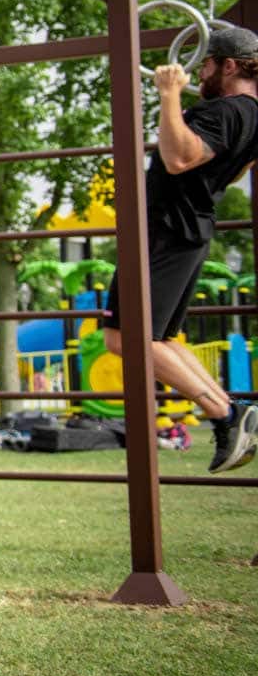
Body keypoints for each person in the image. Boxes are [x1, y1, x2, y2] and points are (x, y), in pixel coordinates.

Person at [105, 28, 258, 472]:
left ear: (229, 65)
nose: (199, 72)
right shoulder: (252, 116)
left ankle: (224, 413)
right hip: (187, 229)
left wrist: (169, 94)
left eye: (206, 63)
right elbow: (235, 170)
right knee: (158, 339)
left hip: (167, 230)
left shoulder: (225, 110)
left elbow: (178, 158)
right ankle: (231, 411)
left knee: (125, 338)